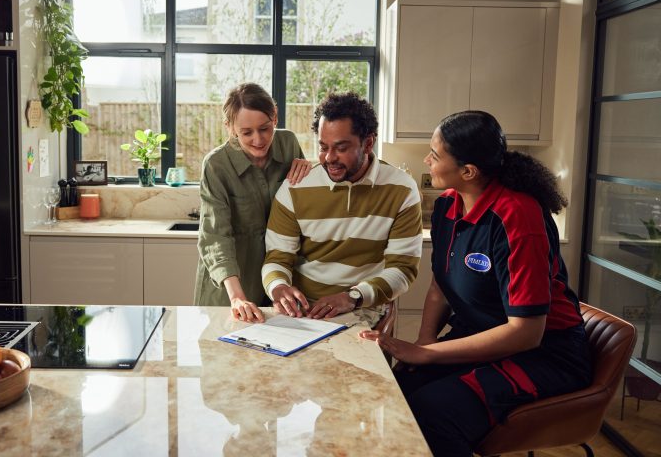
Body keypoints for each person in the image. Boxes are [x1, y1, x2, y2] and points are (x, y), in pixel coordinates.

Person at [359, 110, 592, 456]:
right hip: (480, 337)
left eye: (435, 155)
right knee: (396, 391)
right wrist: (425, 343)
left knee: (430, 413)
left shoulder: (518, 217)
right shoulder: (449, 206)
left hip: (545, 355)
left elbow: (526, 332)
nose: (427, 160)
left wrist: (427, 353)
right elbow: (442, 283)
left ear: (468, 171)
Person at [262, 91, 422, 320]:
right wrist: (278, 287)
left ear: (368, 143)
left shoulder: (402, 189)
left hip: (364, 307)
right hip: (303, 309)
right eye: (323, 147)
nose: (329, 158)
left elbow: (403, 270)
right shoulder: (295, 188)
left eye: (341, 148)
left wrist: (353, 296)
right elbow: (277, 258)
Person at [194, 83, 312, 322]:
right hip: (231, 287)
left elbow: (301, 206)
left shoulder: (288, 144)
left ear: (275, 117)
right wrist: (237, 297)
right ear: (230, 127)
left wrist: (310, 169)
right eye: (247, 132)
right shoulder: (216, 165)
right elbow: (215, 236)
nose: (259, 139)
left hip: (279, 284)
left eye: (265, 128)